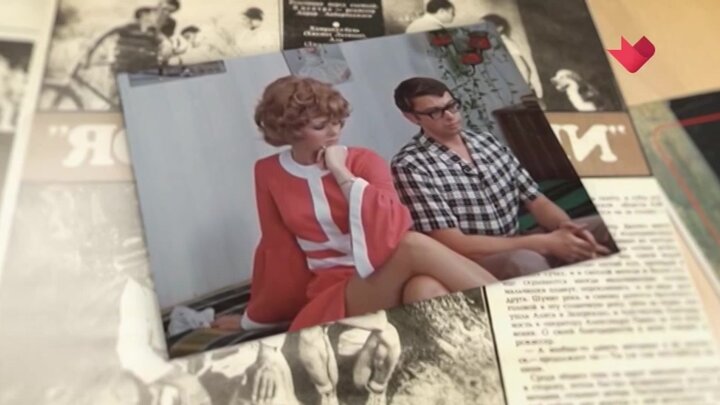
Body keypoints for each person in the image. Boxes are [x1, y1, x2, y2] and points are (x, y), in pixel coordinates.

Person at [212, 75, 497, 403]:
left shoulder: (364, 160)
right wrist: (254, 318)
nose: (334, 132)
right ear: (289, 130)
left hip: (386, 269)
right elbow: (277, 248)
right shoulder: (267, 172)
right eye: (321, 125)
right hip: (335, 290)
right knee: (413, 246)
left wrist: (342, 172)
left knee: (425, 288)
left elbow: (393, 225)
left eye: (338, 121)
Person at [390, 77, 614, 280]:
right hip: (474, 260)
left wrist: (568, 231)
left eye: (451, 105)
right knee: (524, 261)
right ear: (412, 117)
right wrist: (545, 243)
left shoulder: (486, 141)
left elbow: (537, 200)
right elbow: (455, 244)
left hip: (522, 238)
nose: (450, 116)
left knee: (607, 226)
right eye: (435, 112)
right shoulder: (410, 165)